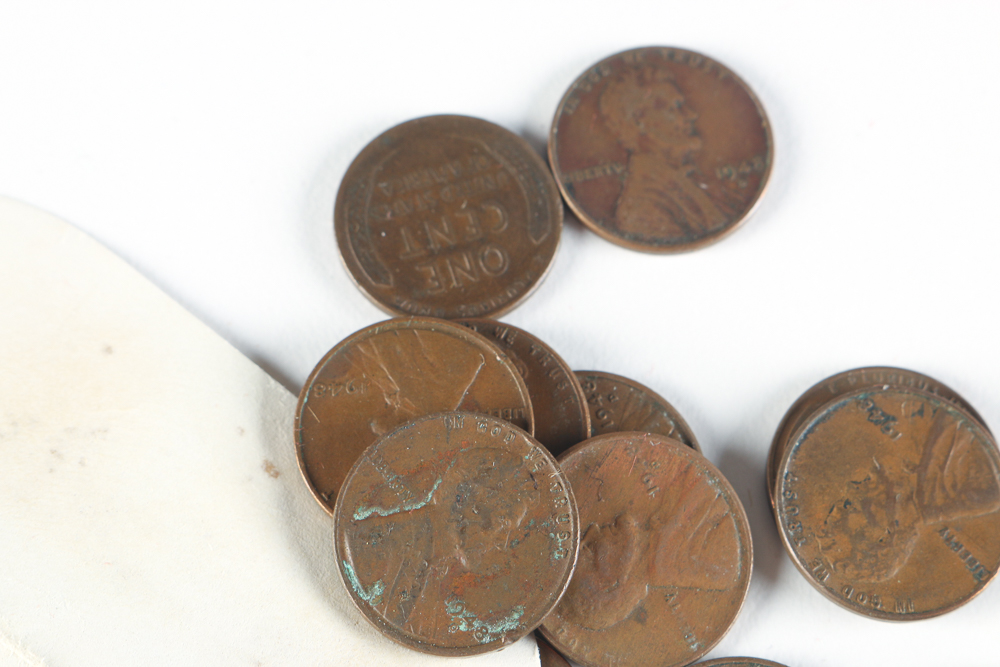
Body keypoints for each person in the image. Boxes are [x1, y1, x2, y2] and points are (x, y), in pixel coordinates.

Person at [598, 66, 736, 243]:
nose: (691, 115)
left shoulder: (681, 183)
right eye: (676, 106)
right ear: (641, 120)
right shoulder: (644, 209)